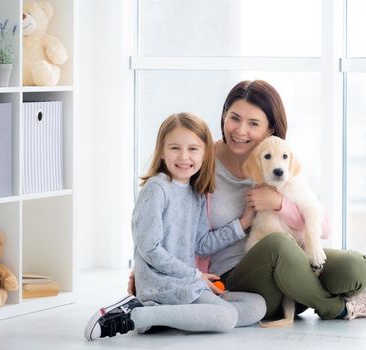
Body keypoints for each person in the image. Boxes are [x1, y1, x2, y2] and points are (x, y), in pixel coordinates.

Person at [130, 80, 366, 322]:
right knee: (276, 243)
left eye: (254, 123)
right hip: (235, 276)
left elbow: (323, 226)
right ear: (224, 117)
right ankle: (336, 306)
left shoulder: (277, 161)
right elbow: (168, 220)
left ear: (271, 129)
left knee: (354, 267)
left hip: (293, 261)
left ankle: (326, 288)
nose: (240, 130)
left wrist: (279, 203)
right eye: (234, 118)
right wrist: (146, 273)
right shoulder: (199, 160)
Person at [84, 113, 266, 341]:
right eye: (174, 148)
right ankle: (136, 316)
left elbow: (201, 244)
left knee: (257, 305)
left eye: (193, 149)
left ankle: (164, 318)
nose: (183, 157)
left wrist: (243, 223)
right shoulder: (156, 189)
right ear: (161, 150)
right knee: (226, 317)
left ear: (205, 154)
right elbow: (149, 248)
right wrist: (195, 275)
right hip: (162, 286)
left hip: (186, 283)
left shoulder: (196, 193)